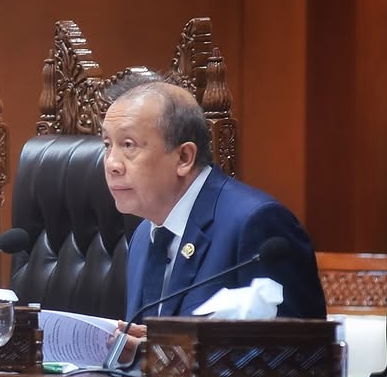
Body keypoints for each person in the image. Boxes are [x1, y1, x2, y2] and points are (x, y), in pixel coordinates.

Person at [102, 81, 326, 358]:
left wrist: (158, 355)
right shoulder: (144, 235)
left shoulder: (257, 223)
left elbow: (298, 358)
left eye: (128, 145)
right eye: (107, 145)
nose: (112, 163)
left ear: (184, 157)